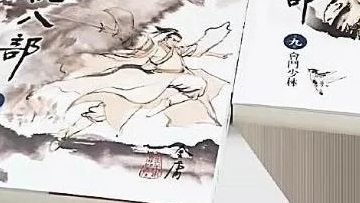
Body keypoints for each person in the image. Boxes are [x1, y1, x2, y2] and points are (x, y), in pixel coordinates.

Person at [48, 24, 232, 146]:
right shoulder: (156, 49)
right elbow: (143, 51)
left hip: (169, 87)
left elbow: (195, 50)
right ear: (166, 38)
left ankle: (167, 107)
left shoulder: (176, 51)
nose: (176, 43)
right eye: (174, 39)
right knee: (107, 109)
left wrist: (219, 52)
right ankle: (67, 132)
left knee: (199, 87)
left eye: (178, 41)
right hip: (152, 84)